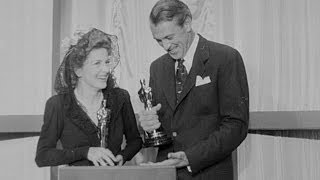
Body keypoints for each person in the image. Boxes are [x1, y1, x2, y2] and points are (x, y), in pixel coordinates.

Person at [138, 0, 249, 179]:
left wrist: (191, 158)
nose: (166, 46)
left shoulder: (226, 58)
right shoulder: (157, 68)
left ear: (187, 23)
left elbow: (236, 126)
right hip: (167, 173)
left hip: (210, 173)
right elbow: (164, 126)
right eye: (158, 40)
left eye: (170, 37)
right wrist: (148, 126)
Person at [35, 28, 142, 167]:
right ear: (78, 70)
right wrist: (86, 152)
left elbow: (135, 141)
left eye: (107, 62)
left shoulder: (120, 98)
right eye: (97, 63)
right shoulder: (58, 105)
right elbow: (43, 156)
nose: (106, 70)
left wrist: (123, 156)